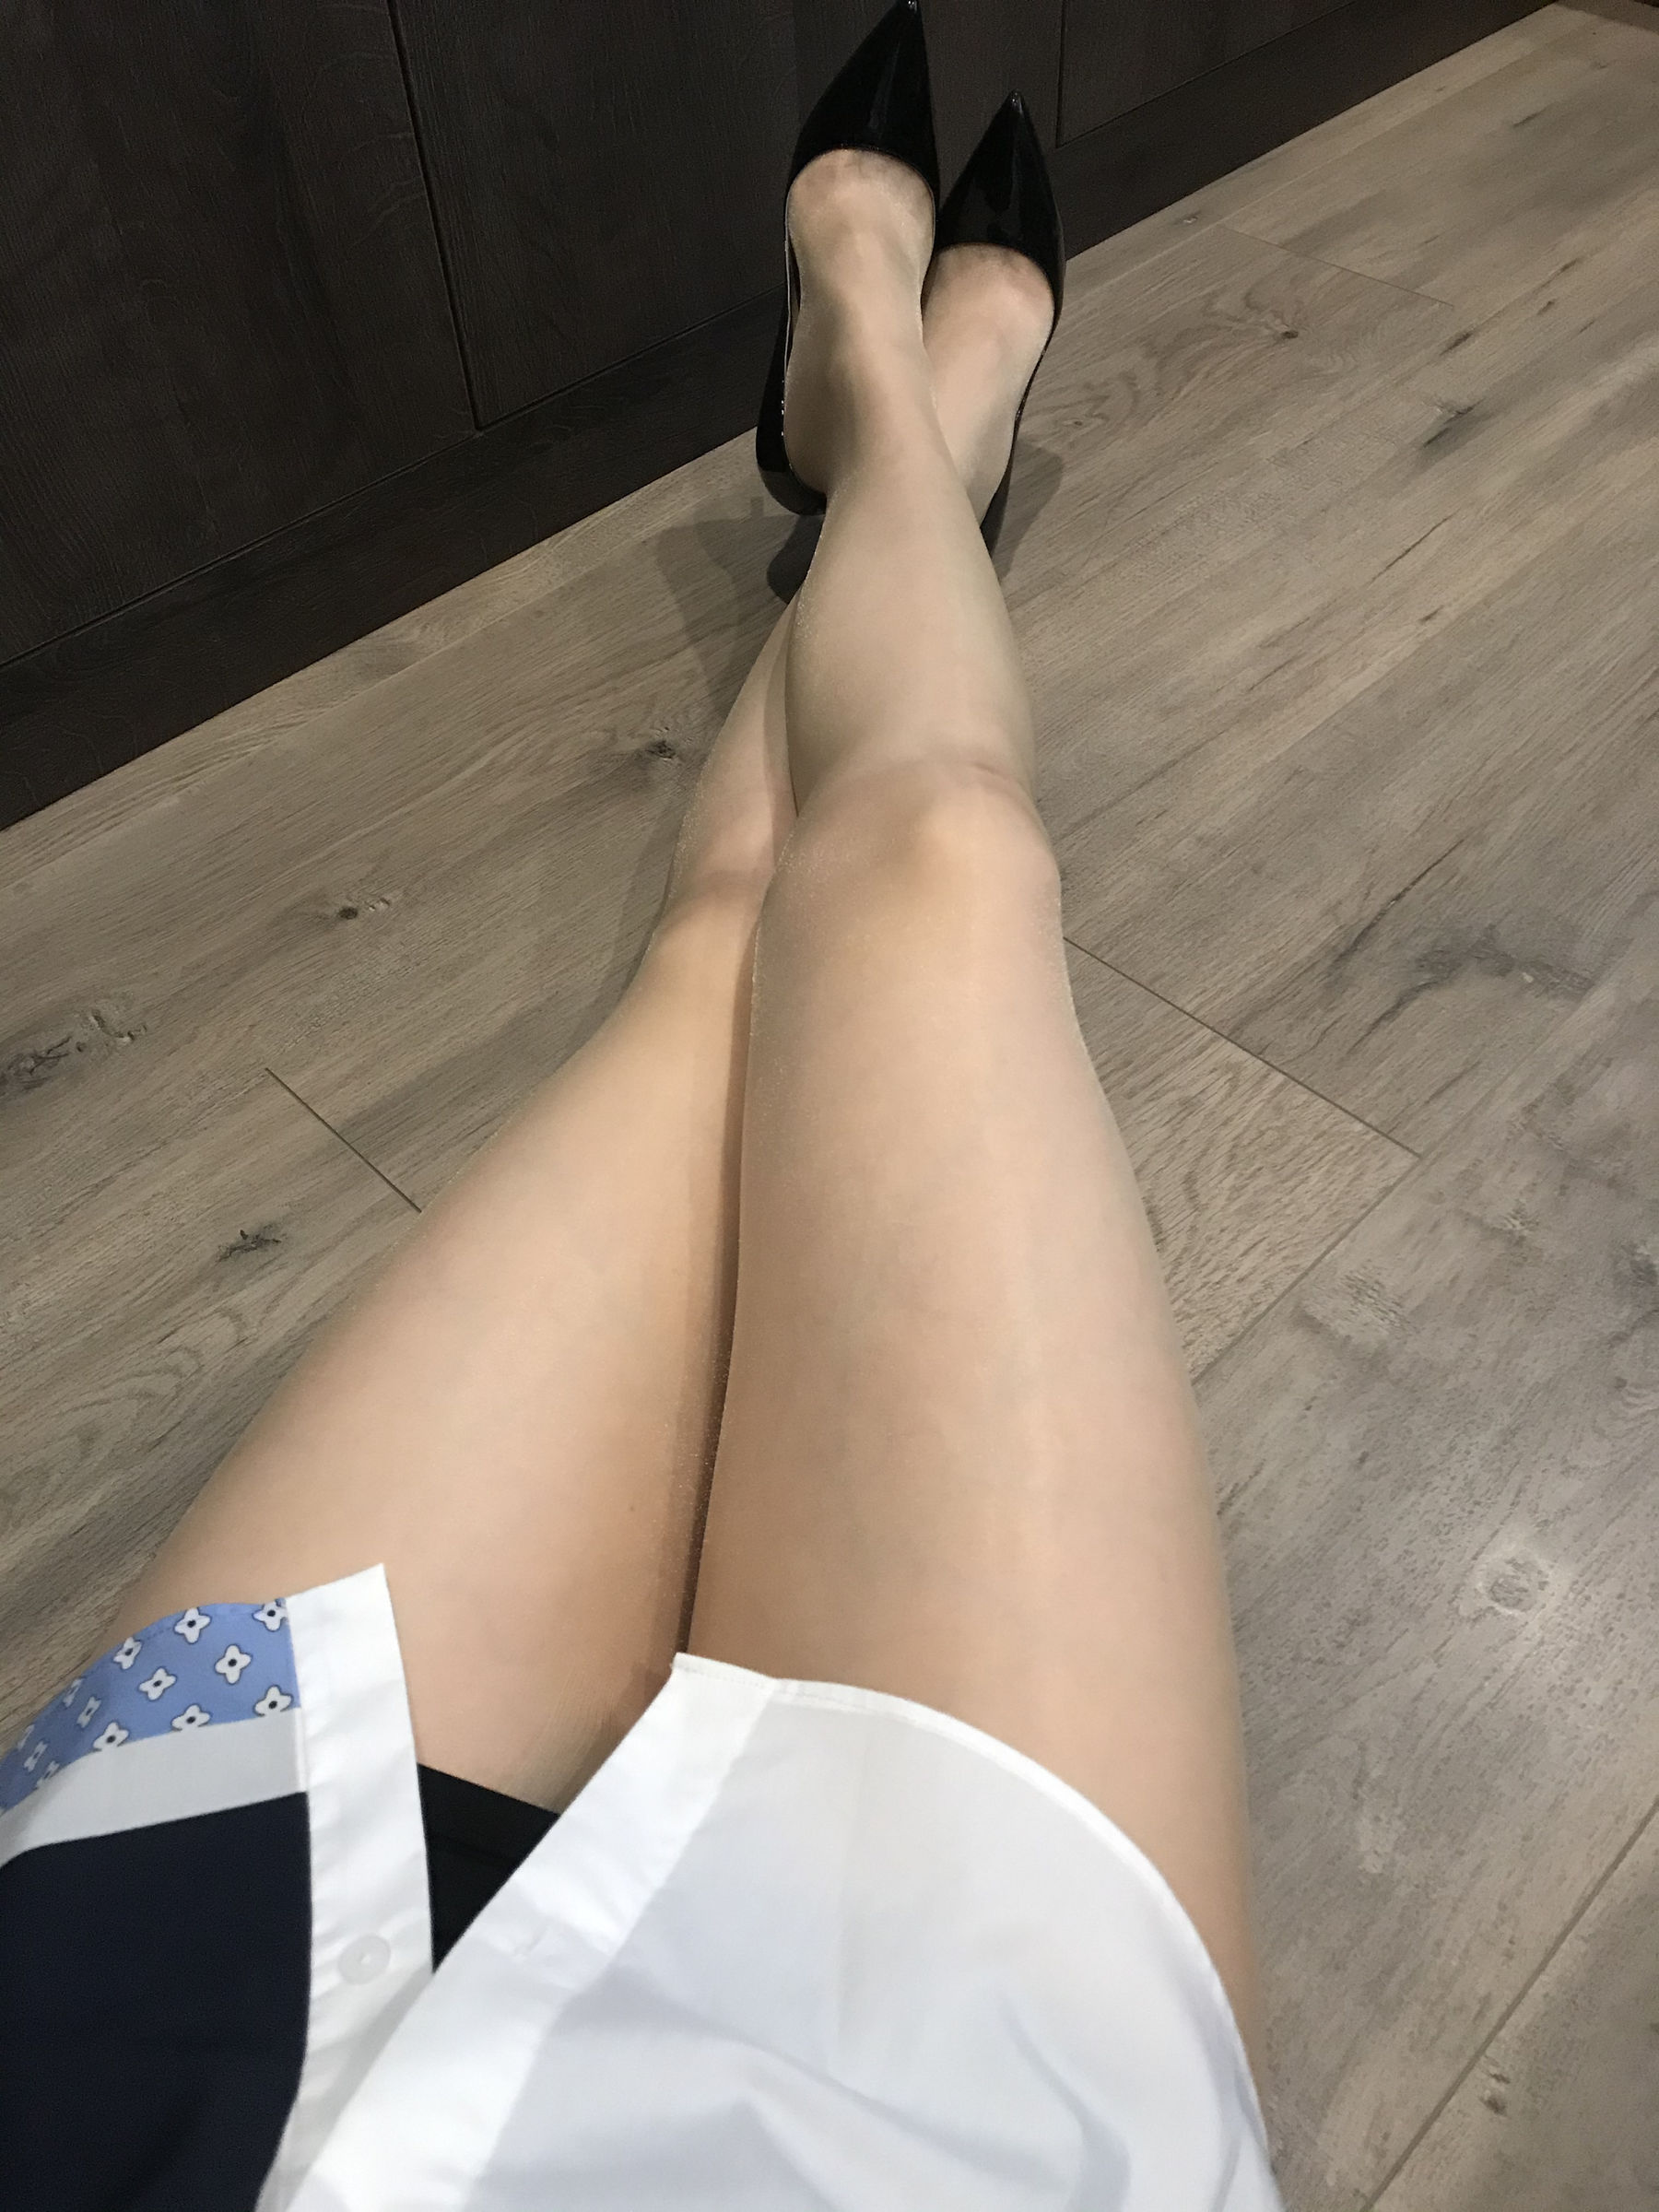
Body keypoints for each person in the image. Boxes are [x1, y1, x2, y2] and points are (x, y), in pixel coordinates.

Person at [0, 6, 1280, 2205]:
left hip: (143, 2028)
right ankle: (908, 398)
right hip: (940, 2142)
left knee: (736, 946)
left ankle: (875, 376)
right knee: (945, 853)